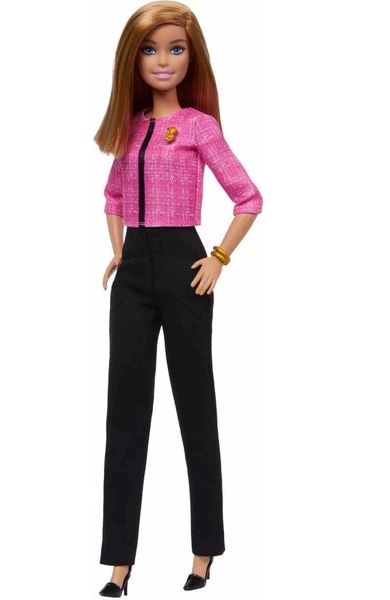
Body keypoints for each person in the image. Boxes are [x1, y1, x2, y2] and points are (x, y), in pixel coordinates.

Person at [93, 1, 263, 595]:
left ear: (192, 57)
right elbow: (113, 198)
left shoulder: (198, 127)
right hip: (134, 273)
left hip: (185, 268)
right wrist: (118, 252)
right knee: (125, 412)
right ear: (132, 59)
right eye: (149, 49)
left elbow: (249, 198)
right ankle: (119, 562)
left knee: (195, 405)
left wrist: (218, 258)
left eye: (175, 48)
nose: (162, 60)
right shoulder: (130, 127)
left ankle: (203, 550)